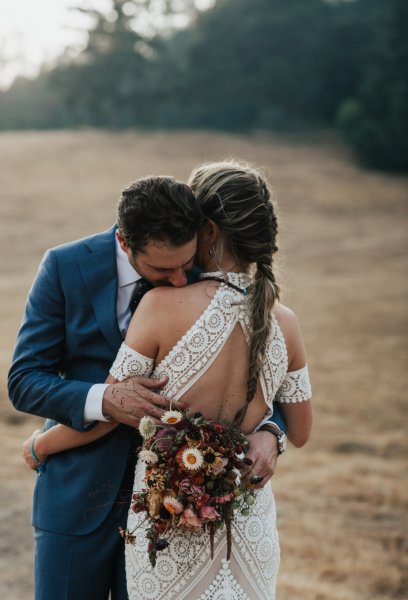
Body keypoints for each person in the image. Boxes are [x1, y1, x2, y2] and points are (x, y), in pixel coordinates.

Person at [19, 161, 312, 599]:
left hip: (172, 520)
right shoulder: (65, 267)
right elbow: (25, 380)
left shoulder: (172, 294)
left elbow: (280, 414)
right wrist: (104, 399)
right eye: (166, 269)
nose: (180, 277)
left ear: (206, 231)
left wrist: (40, 446)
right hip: (83, 499)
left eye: (187, 264)